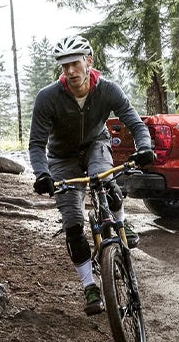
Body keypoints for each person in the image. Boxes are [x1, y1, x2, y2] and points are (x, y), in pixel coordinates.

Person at [28, 35, 155, 316]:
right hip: (62, 158)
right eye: (64, 66)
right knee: (73, 224)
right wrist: (41, 174)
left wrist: (145, 147)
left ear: (88, 61)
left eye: (74, 63)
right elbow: (36, 145)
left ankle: (121, 224)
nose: (70, 71)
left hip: (97, 144)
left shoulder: (108, 90)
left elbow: (135, 122)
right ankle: (89, 285)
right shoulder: (48, 97)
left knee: (105, 181)